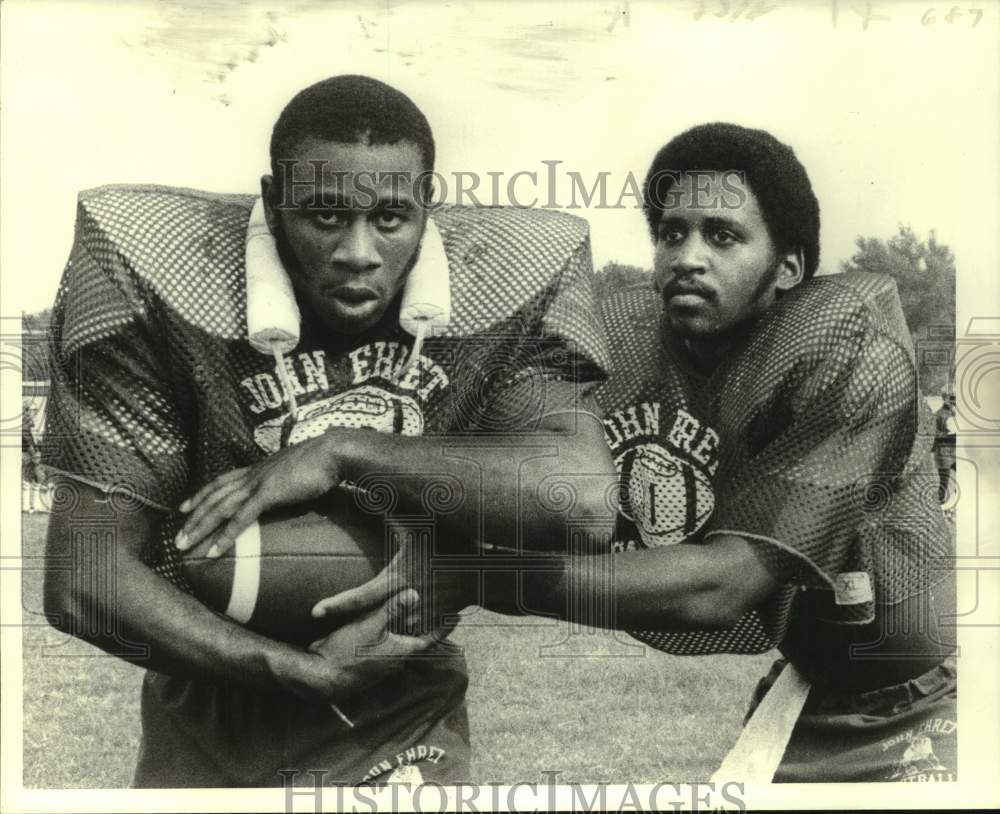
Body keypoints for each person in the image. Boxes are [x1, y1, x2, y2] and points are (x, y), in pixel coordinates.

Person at [324, 123, 958, 783]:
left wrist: (477, 578)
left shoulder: (848, 347)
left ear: (789, 267)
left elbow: (721, 588)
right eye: (671, 233)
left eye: (723, 235)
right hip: (808, 690)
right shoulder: (629, 343)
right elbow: (512, 463)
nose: (687, 255)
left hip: (936, 700)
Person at [41, 74, 614, 787]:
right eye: (324, 216)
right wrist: (294, 672)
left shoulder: (502, 284)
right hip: (204, 716)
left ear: (428, 207)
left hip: (404, 708)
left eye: (391, 218)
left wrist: (344, 452)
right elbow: (82, 576)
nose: (358, 252)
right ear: (274, 201)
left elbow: (583, 501)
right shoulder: (169, 276)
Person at [933, 389, 957, 504]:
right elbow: (932, 433)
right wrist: (947, 435)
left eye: (954, 398)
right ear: (945, 398)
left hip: (956, 449)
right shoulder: (939, 414)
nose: (953, 400)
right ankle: (941, 497)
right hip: (944, 449)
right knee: (944, 477)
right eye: (951, 398)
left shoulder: (959, 413)